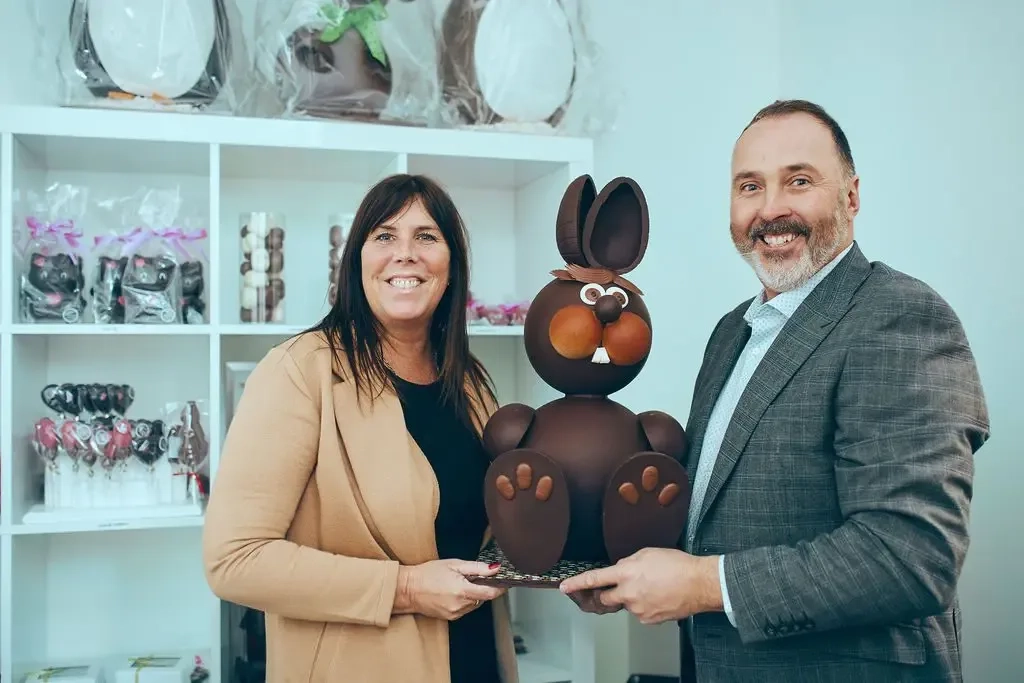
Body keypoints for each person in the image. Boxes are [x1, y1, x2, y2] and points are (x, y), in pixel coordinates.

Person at [560, 99, 990, 682]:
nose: (771, 210)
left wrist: (700, 585)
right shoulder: (731, 333)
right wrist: (621, 568)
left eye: (800, 181)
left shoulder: (901, 317)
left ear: (852, 196)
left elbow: (911, 555)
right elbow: (717, 522)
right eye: (749, 187)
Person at [202, 174, 519, 683]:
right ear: (358, 260)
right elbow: (234, 560)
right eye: (385, 236)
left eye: (427, 237)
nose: (405, 254)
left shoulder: (471, 383)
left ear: (452, 265)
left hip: (474, 659)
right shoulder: (301, 372)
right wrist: (407, 588)